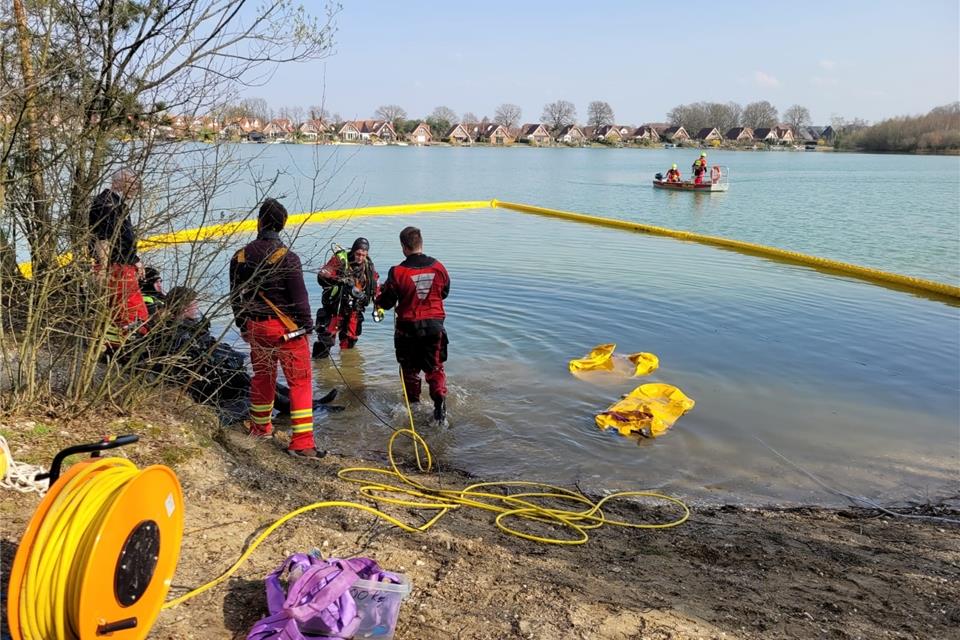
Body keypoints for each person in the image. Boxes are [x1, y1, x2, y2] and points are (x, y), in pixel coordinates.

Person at [157, 286, 338, 425]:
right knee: (254, 387)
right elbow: (196, 356)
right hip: (205, 383)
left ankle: (312, 403)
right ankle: (310, 407)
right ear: (183, 307)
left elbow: (208, 347)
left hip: (211, 375)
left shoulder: (188, 326)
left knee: (262, 382)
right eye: (193, 303)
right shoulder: (178, 332)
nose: (196, 307)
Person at [229, 198, 321, 458]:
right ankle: (302, 443)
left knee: (262, 377)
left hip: (256, 328)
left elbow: (236, 297)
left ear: (259, 222)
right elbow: (300, 299)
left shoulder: (240, 256)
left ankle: (260, 428)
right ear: (282, 225)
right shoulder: (288, 259)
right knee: (300, 382)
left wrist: (243, 326)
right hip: (286, 330)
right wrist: (307, 327)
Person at [375, 226, 450, 424]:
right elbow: (444, 293)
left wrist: (378, 297)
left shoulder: (398, 272)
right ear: (421, 243)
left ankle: (414, 406)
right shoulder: (439, 267)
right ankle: (439, 402)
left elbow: (386, 302)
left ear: (403, 247)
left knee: (409, 370)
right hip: (434, 327)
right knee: (435, 367)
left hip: (407, 329)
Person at [88, 169, 149, 343]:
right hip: (115, 268)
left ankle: (121, 345)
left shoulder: (118, 204)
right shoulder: (107, 205)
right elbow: (103, 239)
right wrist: (103, 269)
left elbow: (123, 239)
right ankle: (125, 348)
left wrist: (135, 260)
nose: (136, 188)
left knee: (129, 313)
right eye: (133, 184)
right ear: (119, 183)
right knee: (132, 314)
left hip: (123, 265)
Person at [312, 237, 379, 359]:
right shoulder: (340, 260)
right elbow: (322, 276)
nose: (360, 258)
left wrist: (379, 302)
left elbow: (375, 285)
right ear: (353, 251)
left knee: (350, 341)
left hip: (354, 309)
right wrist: (340, 280)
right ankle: (319, 370)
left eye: (363, 255)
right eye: (358, 254)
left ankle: (349, 369)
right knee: (325, 341)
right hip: (335, 308)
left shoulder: (368, 266)